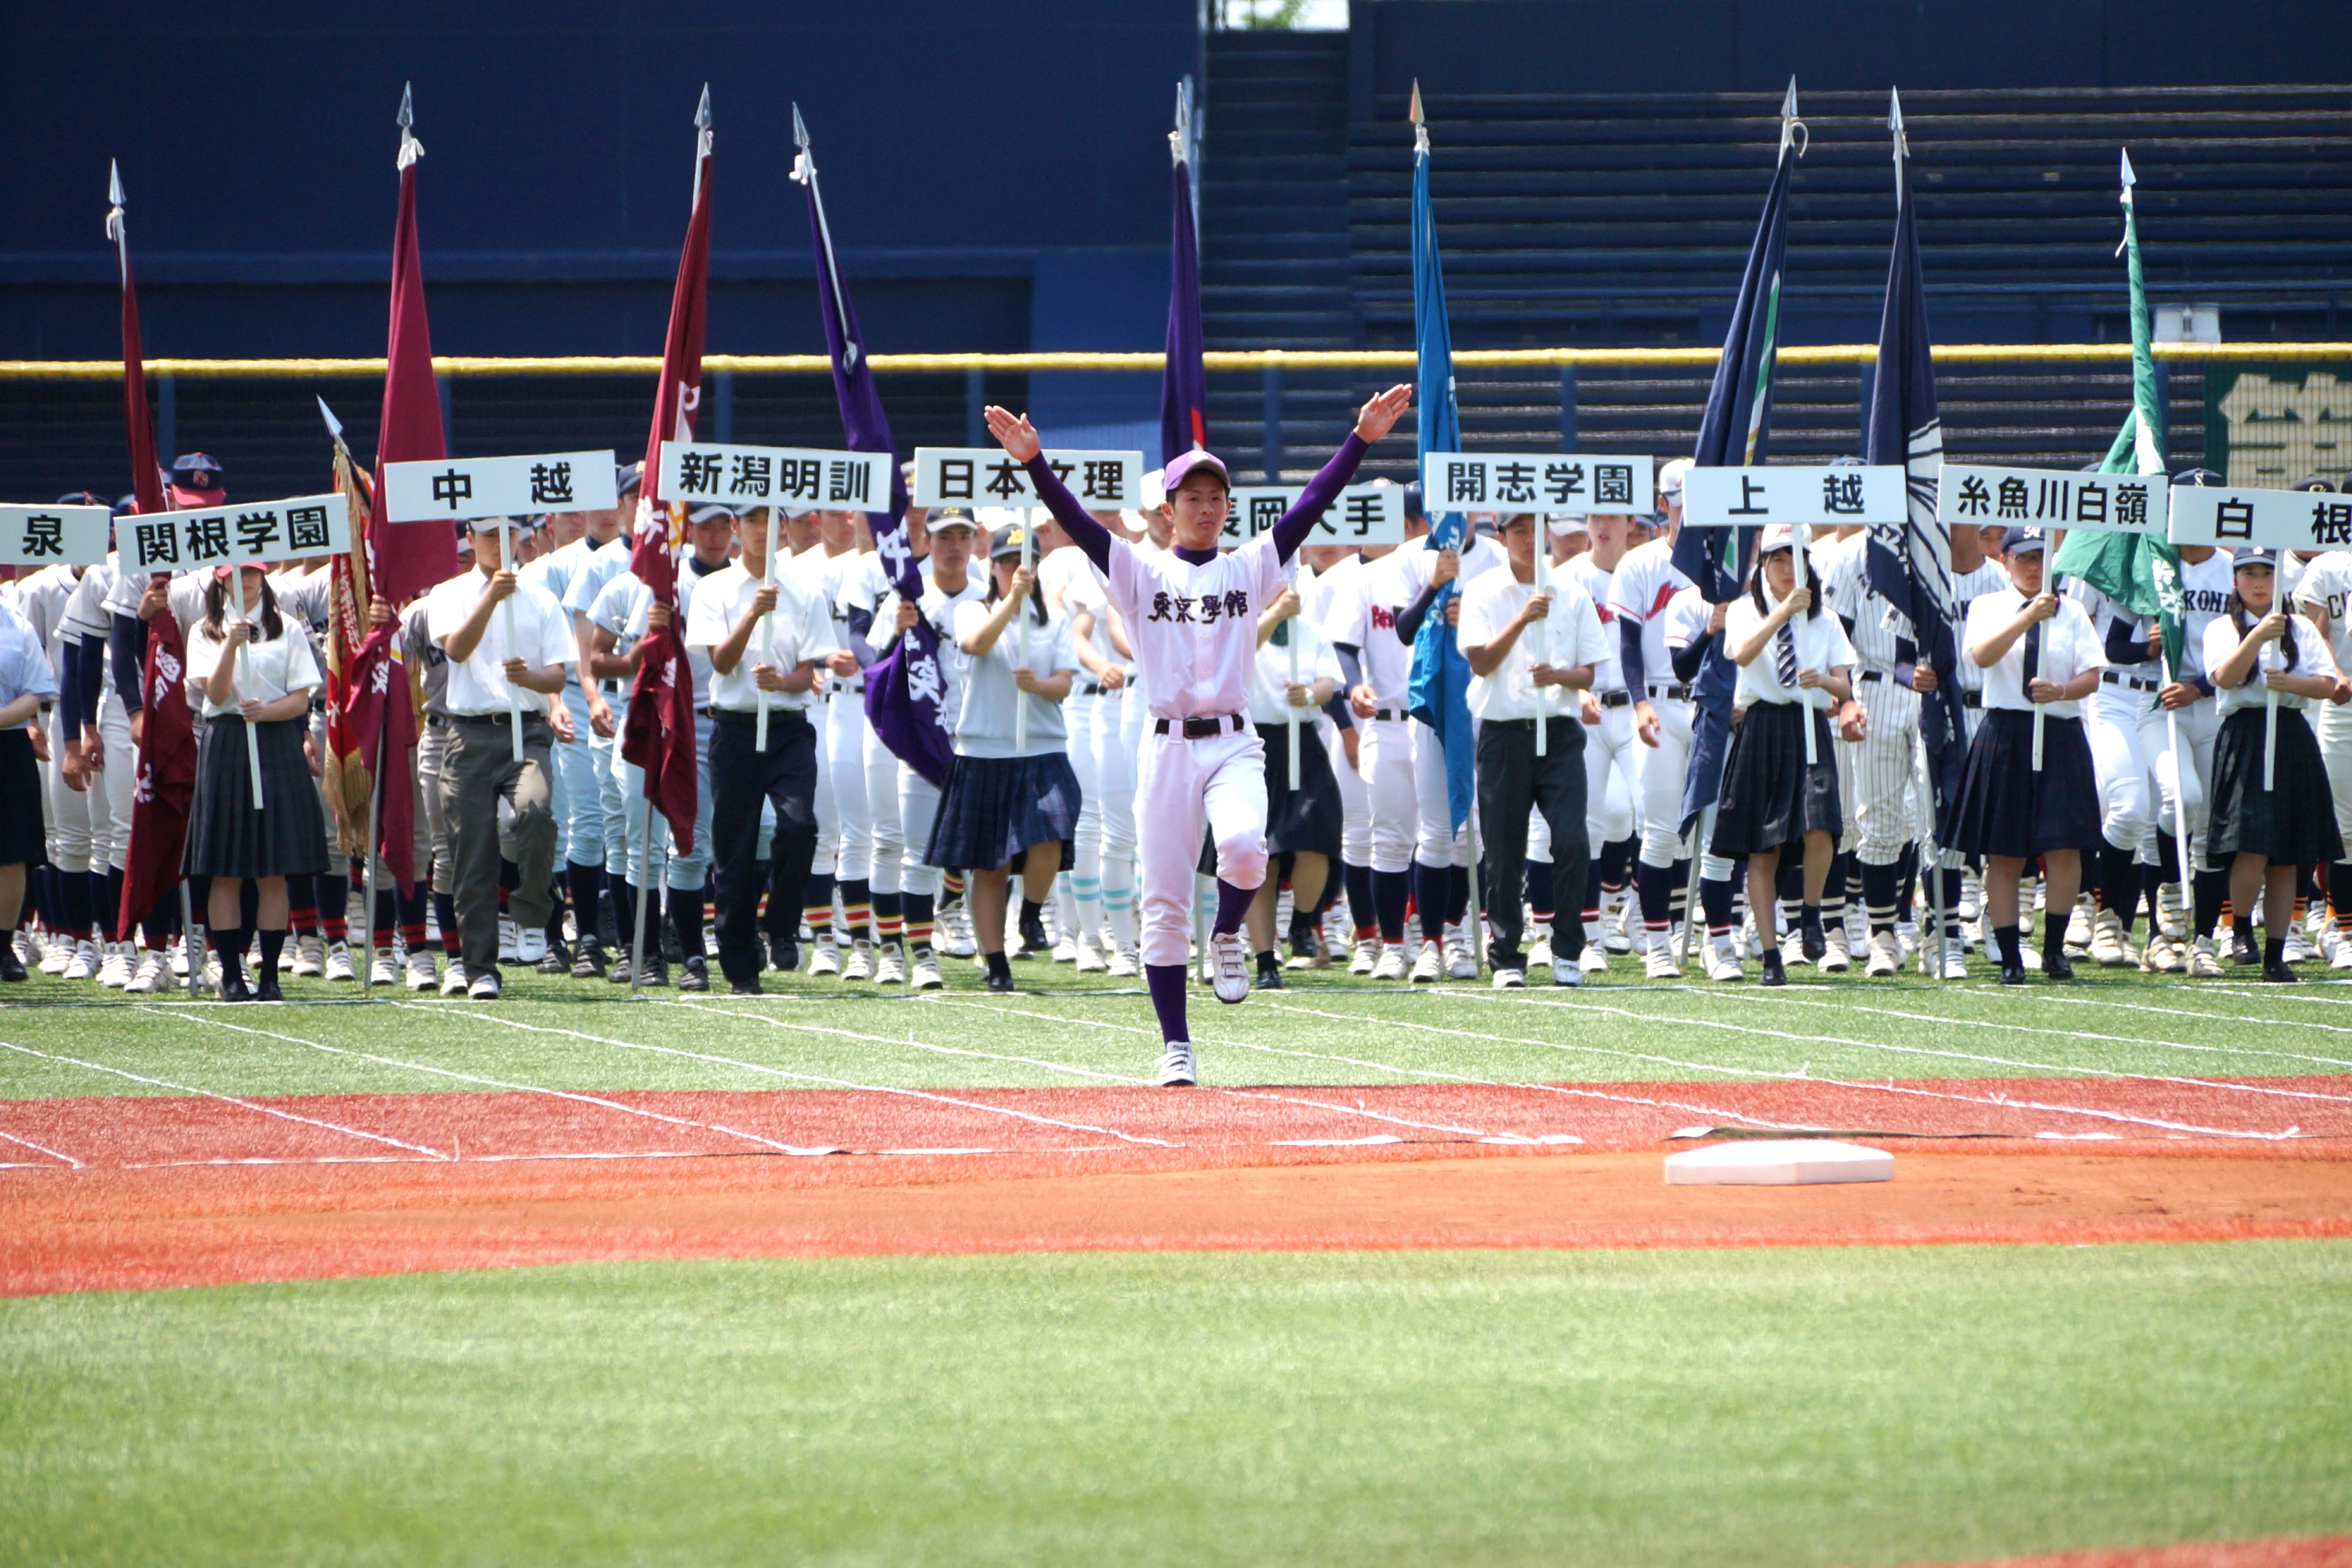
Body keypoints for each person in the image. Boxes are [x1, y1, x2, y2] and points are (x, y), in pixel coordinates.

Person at [985, 382, 1412, 1086]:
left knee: (1245, 849)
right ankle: (1176, 1045)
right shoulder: (1139, 568)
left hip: (1234, 739)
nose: (1206, 508)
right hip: (1165, 744)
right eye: (1193, 497)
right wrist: (1034, 463)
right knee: (1164, 902)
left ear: (1228, 508)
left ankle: (1227, 936)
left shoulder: (1248, 566)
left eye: (1216, 498)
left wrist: (1360, 439)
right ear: (1168, 508)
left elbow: (1309, 509)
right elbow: (1083, 527)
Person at [927, 523, 1082, 993]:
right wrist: (1010, 603)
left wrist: (1039, 685)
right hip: (984, 748)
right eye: (1008, 562)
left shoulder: (1054, 621)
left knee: (1054, 826)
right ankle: (995, 962)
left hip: (1042, 744)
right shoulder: (972, 609)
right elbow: (975, 645)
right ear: (992, 568)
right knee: (989, 864)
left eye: (1025, 563)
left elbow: (1064, 683)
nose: (1017, 571)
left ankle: (1032, 912)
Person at [684, 505, 833, 995]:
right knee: (735, 848)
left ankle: (783, 924)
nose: (761, 532)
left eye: (772, 522)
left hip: (789, 729)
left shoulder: (805, 589)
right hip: (734, 729)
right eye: (751, 522)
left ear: (785, 528)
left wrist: (782, 680)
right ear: (735, 529)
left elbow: (807, 673)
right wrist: (753, 613)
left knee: (799, 825)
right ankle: (739, 962)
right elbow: (722, 663)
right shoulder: (714, 589)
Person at [1457, 511, 1608, 986]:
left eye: (1535, 529)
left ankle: (1566, 947)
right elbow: (1480, 662)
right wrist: (1522, 618)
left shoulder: (1572, 592)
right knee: (1503, 849)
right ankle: (1505, 955)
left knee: (1571, 839)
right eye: (1518, 530)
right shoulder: (1483, 590)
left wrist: (1559, 677)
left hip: (1559, 731)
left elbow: (1588, 672)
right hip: (1503, 732)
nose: (1528, 539)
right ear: (1500, 537)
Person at [424, 518, 572, 1000]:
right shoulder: (448, 592)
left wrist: (529, 678)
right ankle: (480, 967)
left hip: (525, 732)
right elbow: (457, 649)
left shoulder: (542, 598)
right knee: (472, 855)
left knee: (534, 809)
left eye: (505, 535)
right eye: (487, 535)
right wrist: (489, 598)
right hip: (467, 735)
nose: (496, 544)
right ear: (471, 539)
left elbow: (557, 678)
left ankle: (533, 899)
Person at [1950, 527, 2106, 985]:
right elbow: (1980, 656)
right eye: (2024, 557)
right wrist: (2027, 617)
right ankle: (2010, 952)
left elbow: (2092, 676)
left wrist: (2060, 690)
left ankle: (2054, 949)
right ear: (2005, 559)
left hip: (2058, 730)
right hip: (2007, 730)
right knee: (2003, 851)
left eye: (2041, 556)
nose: (2034, 566)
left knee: (2063, 845)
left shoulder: (2073, 611)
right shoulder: (1988, 606)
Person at [1711, 527, 1856, 986]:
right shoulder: (1742, 610)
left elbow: (1844, 685)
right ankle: (1771, 954)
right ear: (1763, 565)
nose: (1788, 569)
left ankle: (1810, 915)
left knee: (1820, 827)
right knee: (1764, 847)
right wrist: (1782, 613)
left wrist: (1824, 684)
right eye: (1777, 560)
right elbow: (1740, 652)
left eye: (1796, 560)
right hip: (1762, 727)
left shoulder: (1826, 619)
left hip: (1807, 724)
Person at [182, 564, 329, 1002]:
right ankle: (230, 974)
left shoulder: (287, 628)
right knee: (226, 869)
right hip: (227, 740)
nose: (245, 580)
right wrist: (231, 641)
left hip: (277, 740)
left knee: (273, 870)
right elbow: (216, 693)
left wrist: (265, 712)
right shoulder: (203, 630)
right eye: (235, 574)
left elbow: (302, 697)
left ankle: (270, 978)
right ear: (221, 581)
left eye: (252, 573)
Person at [2205, 548, 2344, 982]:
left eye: (2267, 573)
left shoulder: (2300, 627)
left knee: (2288, 853)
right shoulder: (2221, 627)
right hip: (2245, 732)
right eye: (2250, 573)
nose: (2260, 583)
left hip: (2289, 733)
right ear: (2236, 580)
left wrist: (2290, 682)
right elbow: (2224, 678)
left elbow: (2326, 683)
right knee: (2250, 843)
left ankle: (2277, 953)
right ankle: (2241, 928)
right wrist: (2257, 637)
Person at [868, 509, 988, 992]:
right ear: (928, 540)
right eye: (944, 537)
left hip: (979, 740)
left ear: (975, 540)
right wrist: (898, 631)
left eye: (963, 535)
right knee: (916, 854)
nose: (954, 546)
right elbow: (872, 664)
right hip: (923, 738)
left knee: (984, 855)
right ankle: (920, 955)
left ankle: (989, 948)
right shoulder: (908, 596)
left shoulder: (989, 594)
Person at [1244, 571, 1343, 989]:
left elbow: (1329, 682)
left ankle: (1304, 921)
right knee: (1259, 855)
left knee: (1317, 831)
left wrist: (1308, 694)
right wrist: (1272, 614)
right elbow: (1239, 654)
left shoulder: (1312, 633)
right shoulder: (1242, 624)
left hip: (1301, 739)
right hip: (1254, 744)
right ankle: (1266, 958)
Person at [0, 595, 57, 982]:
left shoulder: (17, 626)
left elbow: (34, 694)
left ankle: (3, 947)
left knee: (11, 854)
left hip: (8, 746)